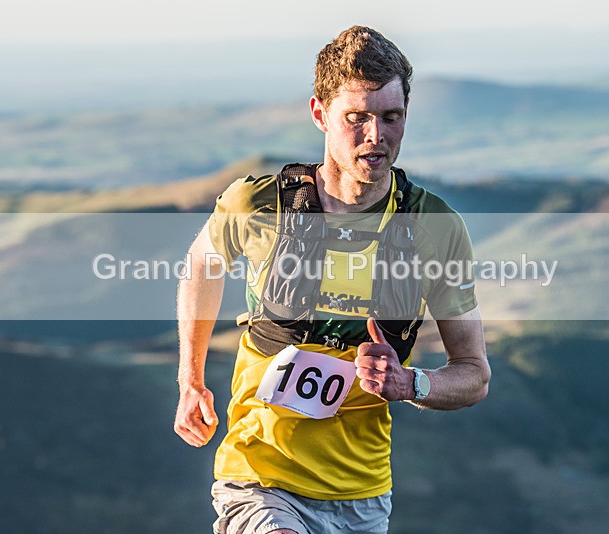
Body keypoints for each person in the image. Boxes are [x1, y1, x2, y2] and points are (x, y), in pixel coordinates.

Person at [174, 25, 490, 534]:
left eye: (391, 117)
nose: (376, 136)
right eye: (356, 117)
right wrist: (190, 380)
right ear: (320, 114)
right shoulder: (256, 205)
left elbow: (473, 374)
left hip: (362, 495)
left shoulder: (435, 227)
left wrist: (410, 382)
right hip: (260, 476)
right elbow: (202, 266)